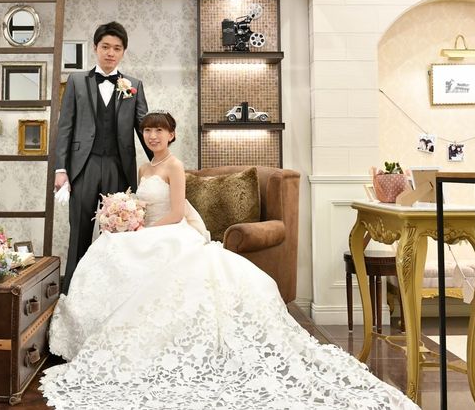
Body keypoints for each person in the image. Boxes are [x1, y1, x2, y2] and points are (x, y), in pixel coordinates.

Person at [42, 112, 419, 410]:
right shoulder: (144, 169)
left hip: (170, 230)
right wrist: (125, 218)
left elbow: (176, 213)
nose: (153, 136)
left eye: (160, 130)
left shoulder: (175, 166)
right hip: (148, 228)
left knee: (131, 252)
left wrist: (143, 231)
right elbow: (141, 204)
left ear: (172, 135)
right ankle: (97, 330)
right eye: (148, 131)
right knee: (108, 246)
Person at [54, 21, 150, 293]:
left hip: (119, 167)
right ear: (95, 48)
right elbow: (65, 127)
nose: (110, 53)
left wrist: (160, 163)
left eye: (117, 48)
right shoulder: (76, 82)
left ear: (123, 52)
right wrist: (60, 169)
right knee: (79, 234)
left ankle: (114, 294)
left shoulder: (133, 85)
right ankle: (72, 295)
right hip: (83, 167)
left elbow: (144, 128)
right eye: (105, 47)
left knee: (118, 237)